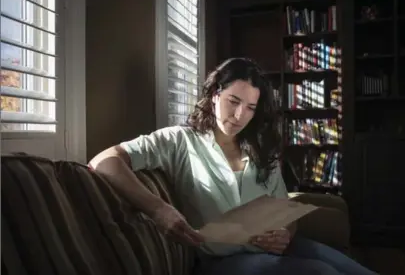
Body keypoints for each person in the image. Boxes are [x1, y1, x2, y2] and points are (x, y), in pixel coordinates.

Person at [89, 58, 378, 275]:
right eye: (233, 101)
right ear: (215, 93)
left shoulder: (261, 148)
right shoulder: (179, 140)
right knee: (322, 273)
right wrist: (158, 209)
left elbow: (286, 209)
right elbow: (104, 161)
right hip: (222, 261)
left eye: (251, 107)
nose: (240, 115)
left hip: (269, 250)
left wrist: (285, 234)